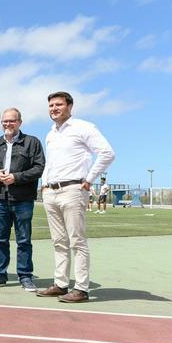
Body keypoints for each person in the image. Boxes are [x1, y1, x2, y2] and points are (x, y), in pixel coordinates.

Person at [37, 91, 114, 303]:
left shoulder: (84, 127)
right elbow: (50, 163)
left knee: (77, 241)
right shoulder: (51, 133)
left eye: (58, 104)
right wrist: (44, 185)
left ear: (70, 106)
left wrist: (89, 179)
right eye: (51, 105)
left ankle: (81, 288)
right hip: (51, 192)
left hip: (72, 190)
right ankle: (61, 284)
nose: (54, 108)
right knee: (58, 241)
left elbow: (107, 153)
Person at [0, 108, 44, 292]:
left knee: (24, 240)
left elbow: (39, 168)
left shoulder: (32, 142)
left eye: (11, 121)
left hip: (23, 199)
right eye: (5, 121)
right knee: (0, 240)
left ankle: (25, 276)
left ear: (19, 122)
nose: (7, 124)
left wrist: (17, 177)